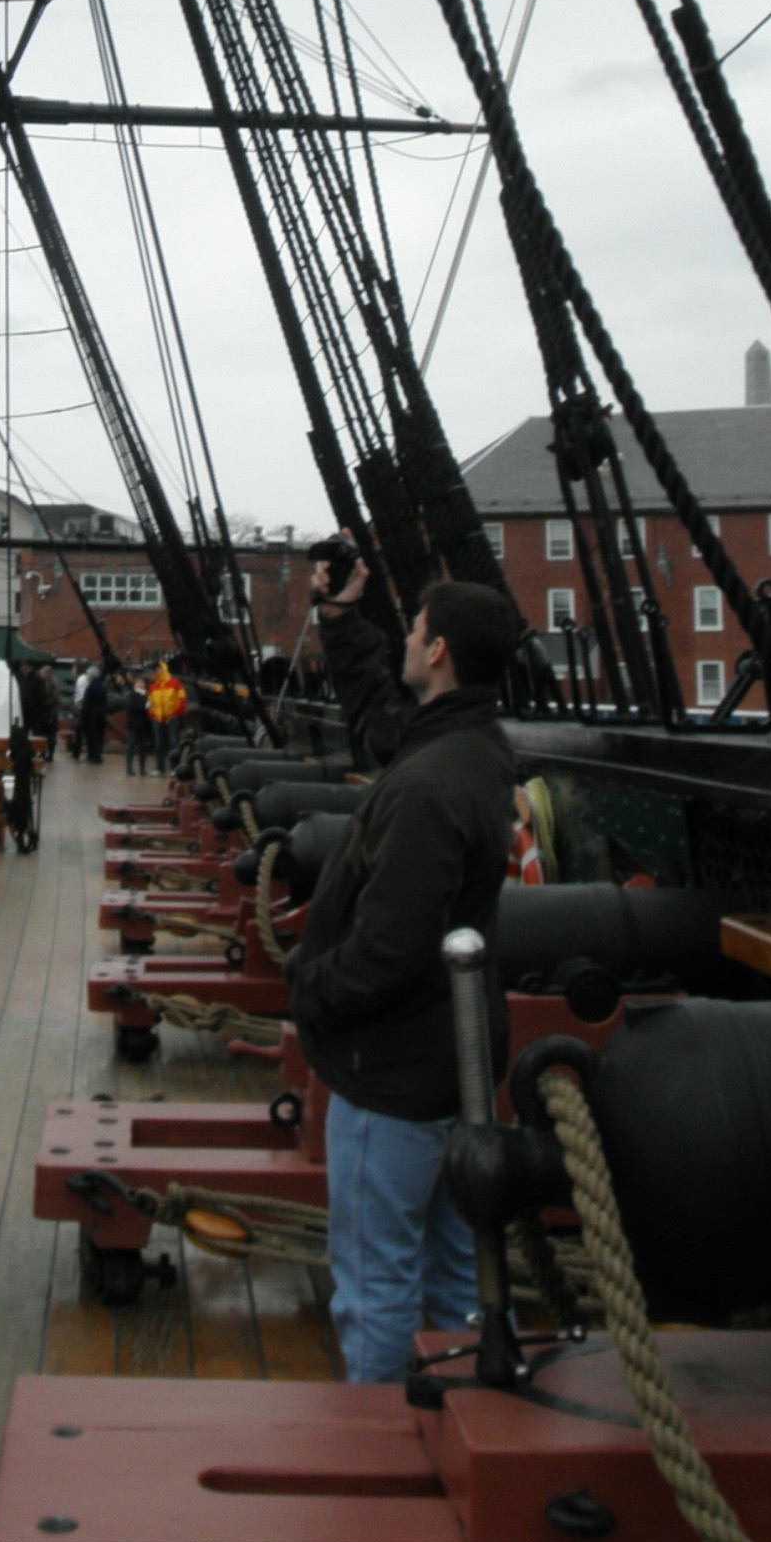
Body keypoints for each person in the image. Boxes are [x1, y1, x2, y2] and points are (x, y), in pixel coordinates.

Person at [287, 544, 521, 1386]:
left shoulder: (428, 788)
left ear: (437, 652)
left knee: (375, 1281)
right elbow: (388, 729)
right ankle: (471, 1423)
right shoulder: (473, 750)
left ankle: (375, 1445)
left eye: (414, 628)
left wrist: (309, 990)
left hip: (390, 1074)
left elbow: (388, 948)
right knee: (458, 1274)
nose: (406, 638)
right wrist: (344, 620)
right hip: (446, 1068)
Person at [145, 658, 186, 772]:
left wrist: (174, 713)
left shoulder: (175, 683)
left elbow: (181, 700)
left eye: (156, 670)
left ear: (161, 669)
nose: (155, 672)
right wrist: (151, 714)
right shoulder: (153, 686)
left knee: (173, 743)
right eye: (154, 670)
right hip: (157, 719)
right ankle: (160, 767)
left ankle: (175, 768)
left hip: (171, 718)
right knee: (159, 744)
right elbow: (148, 702)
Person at [75, 659, 108, 764]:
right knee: (99, 736)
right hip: (101, 715)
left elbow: (87, 703)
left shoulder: (90, 687)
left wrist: (84, 714)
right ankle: (98, 755)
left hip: (91, 716)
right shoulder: (102, 687)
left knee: (91, 736)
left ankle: (94, 756)